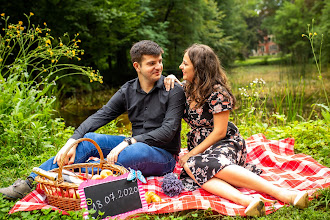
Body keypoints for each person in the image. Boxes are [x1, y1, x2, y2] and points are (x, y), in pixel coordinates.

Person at [0, 40, 185, 200]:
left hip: (163, 156)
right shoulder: (128, 90)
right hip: (131, 145)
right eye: (152, 63)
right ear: (137, 66)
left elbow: (168, 131)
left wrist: (129, 141)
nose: (159, 67)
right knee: (88, 140)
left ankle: (71, 174)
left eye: (160, 61)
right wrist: (72, 140)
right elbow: (102, 115)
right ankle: (31, 182)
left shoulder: (173, 89)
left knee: (132, 153)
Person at [164, 44, 309, 216]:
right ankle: (249, 202)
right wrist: (171, 77)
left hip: (224, 142)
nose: (181, 66)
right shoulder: (187, 88)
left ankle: (284, 194)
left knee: (200, 163)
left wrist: (191, 152)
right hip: (201, 146)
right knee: (191, 165)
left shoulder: (218, 93)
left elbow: (219, 132)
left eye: (185, 63)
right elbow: (175, 87)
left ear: (199, 67)